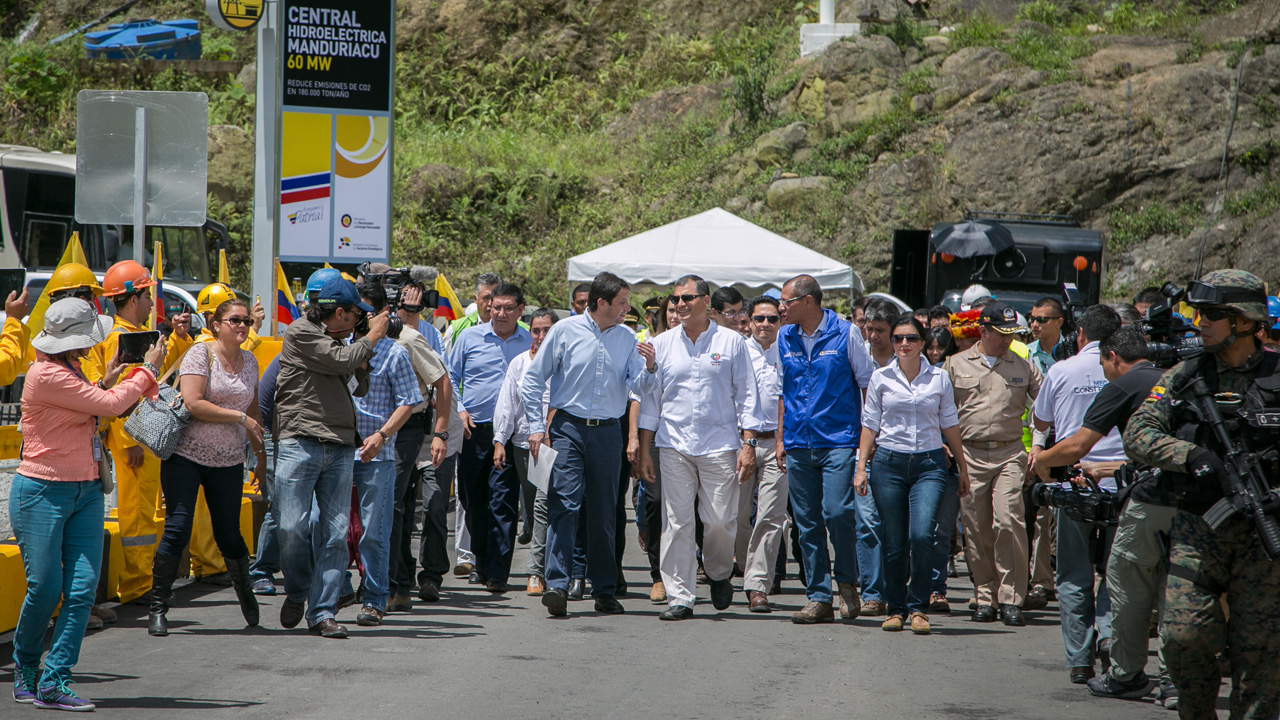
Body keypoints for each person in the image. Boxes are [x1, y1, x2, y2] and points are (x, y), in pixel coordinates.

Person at [1124, 270, 1280, 720]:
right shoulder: (1185, 375)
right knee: (1183, 639)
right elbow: (1139, 433)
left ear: (1246, 322)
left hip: (1264, 542)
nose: (1200, 323)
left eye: (1212, 315)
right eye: (1197, 313)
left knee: (1263, 657)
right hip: (1199, 533)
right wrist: (1188, 454)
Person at [11, 298, 162, 711]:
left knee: (79, 592)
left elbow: (91, 406)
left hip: (86, 490)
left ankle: (56, 675)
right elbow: (111, 406)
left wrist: (107, 380)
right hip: (42, 491)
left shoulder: (70, 370)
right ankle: (26, 664)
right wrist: (145, 369)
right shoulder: (45, 374)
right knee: (46, 589)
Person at [1030, 328, 1177, 705]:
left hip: (1146, 502)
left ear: (1113, 356)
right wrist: (1109, 468)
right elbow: (1155, 455)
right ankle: (1177, 680)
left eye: (1103, 364)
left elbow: (1078, 444)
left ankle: (1124, 674)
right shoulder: (1175, 380)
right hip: (1188, 501)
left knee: (1123, 585)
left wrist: (1041, 461)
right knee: (1172, 589)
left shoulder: (1123, 385)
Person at [522, 271, 657, 618]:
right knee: (564, 504)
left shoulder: (627, 338)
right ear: (602, 303)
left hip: (607, 431)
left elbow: (637, 386)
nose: (628, 308)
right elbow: (533, 380)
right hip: (568, 427)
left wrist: (651, 367)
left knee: (603, 511)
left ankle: (604, 589)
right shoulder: (564, 331)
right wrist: (537, 428)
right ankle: (557, 584)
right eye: (623, 302)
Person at [637, 275, 761, 620]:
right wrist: (645, 449)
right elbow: (649, 402)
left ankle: (719, 572)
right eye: (675, 298)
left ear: (706, 301)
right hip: (673, 444)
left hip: (720, 445)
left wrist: (748, 444)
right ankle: (680, 596)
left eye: (687, 297)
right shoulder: (661, 344)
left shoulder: (732, 341)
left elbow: (748, 395)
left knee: (720, 521)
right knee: (676, 523)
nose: (679, 304)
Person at [274, 277, 389, 639]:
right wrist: (371, 338)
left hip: (340, 443)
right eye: (358, 313)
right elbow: (339, 362)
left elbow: (359, 384)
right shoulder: (301, 332)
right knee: (291, 528)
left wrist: (360, 346)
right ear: (340, 312)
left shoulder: (341, 341)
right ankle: (297, 590)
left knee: (335, 534)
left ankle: (321, 611)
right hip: (299, 441)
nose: (362, 319)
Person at [149, 299, 267, 637]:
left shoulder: (251, 361)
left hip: (228, 460)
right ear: (216, 325)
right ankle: (158, 607)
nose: (242, 326)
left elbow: (254, 412)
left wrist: (260, 458)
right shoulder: (201, 353)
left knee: (229, 535)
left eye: (246, 321)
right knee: (178, 527)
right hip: (185, 455)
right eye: (234, 320)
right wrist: (238, 417)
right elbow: (194, 402)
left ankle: (247, 596)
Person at [855, 315, 969, 635]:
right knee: (893, 542)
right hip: (888, 464)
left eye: (911, 338)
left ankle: (918, 606)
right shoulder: (880, 378)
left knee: (922, 536)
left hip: (930, 465)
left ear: (922, 343)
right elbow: (870, 425)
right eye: (898, 338)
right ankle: (896, 608)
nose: (904, 344)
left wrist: (962, 466)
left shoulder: (939, 378)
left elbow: (950, 424)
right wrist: (860, 468)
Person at [85, 260, 188, 606]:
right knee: (137, 514)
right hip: (135, 443)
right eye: (147, 296)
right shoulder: (121, 340)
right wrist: (129, 444)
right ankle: (136, 585)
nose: (151, 303)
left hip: (143, 440)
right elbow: (120, 398)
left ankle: (144, 580)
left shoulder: (133, 335)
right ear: (132, 299)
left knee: (147, 512)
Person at [776, 275, 878, 624]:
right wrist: (779, 438)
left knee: (837, 513)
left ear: (807, 301)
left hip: (839, 440)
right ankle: (819, 597)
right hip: (797, 443)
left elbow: (867, 383)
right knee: (807, 524)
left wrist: (868, 438)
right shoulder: (783, 335)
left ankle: (848, 584)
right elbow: (782, 390)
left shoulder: (845, 332)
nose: (780, 308)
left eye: (785, 302)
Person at [1031, 305, 1124, 683]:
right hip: (1122, 482)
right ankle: (1109, 639)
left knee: (1072, 572)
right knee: (1116, 572)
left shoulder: (1061, 370)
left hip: (1075, 482)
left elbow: (1041, 421)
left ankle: (1079, 658)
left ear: (1081, 334)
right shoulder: (1130, 373)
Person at [944, 301, 1043, 625]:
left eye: (1011, 334)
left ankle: (1011, 598)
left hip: (1009, 454)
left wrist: (1039, 446)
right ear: (983, 331)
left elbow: (1046, 409)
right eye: (1001, 334)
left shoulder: (1023, 365)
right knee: (976, 528)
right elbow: (939, 411)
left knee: (1009, 520)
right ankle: (985, 596)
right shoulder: (955, 365)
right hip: (969, 455)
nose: (1007, 340)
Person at [345, 283, 423, 626]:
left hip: (379, 455)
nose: (359, 319)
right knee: (327, 528)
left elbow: (410, 400)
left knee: (375, 532)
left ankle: (375, 600)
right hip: (338, 452)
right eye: (354, 312)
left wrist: (381, 435)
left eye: (365, 313)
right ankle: (335, 590)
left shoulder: (396, 353)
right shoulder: (339, 349)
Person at [450, 282, 532, 592]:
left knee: (503, 503)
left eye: (508, 308)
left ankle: (498, 572)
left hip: (511, 436)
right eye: (496, 307)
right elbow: (449, 377)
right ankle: (481, 561)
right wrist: (458, 411)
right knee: (474, 502)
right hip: (475, 431)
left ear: (520, 310)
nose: (500, 313)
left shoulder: (529, 340)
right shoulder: (469, 337)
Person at [385, 286, 452, 612]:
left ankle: (401, 583)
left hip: (411, 429)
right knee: (395, 506)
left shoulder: (410, 338)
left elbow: (442, 380)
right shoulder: (357, 338)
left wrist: (441, 433)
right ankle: (397, 577)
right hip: (371, 429)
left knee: (403, 503)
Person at [492, 307, 558, 595]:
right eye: (536, 330)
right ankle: (536, 543)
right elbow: (507, 404)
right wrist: (499, 440)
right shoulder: (519, 363)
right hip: (522, 446)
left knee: (545, 507)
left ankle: (536, 571)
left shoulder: (564, 363)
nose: (541, 336)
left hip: (556, 445)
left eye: (547, 330)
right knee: (532, 510)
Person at [739, 295, 788, 613]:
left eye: (772, 319)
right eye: (759, 319)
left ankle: (757, 586)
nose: (766, 324)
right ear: (749, 321)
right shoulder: (736, 351)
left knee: (770, 517)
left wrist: (784, 439)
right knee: (735, 516)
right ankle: (736, 571)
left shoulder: (789, 352)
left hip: (777, 445)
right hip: (739, 443)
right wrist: (745, 442)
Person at [446, 272, 502, 348]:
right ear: (475, 299)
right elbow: (444, 359)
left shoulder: (519, 329)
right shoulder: (456, 329)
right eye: (486, 298)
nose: (490, 303)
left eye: (495, 297)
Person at [1027, 297, 1066, 377]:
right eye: (1032, 319)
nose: (1034, 325)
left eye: (1042, 319)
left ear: (1059, 322)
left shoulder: (1074, 352)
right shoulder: (1026, 352)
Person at [863, 298, 897, 368]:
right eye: (869, 329)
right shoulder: (858, 355)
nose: (873, 336)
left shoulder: (906, 356)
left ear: (894, 330)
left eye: (880, 330)